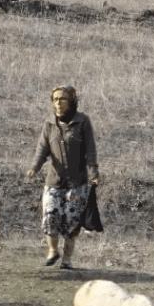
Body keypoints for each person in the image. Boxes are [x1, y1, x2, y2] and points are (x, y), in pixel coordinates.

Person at [25, 85, 100, 270]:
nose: (58, 103)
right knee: (49, 215)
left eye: (62, 99)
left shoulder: (83, 122)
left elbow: (90, 150)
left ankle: (67, 259)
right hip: (54, 181)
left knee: (71, 221)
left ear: (71, 101)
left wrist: (93, 173)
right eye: (55, 99)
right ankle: (52, 251)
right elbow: (42, 149)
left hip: (77, 183)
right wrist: (34, 168)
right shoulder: (49, 124)